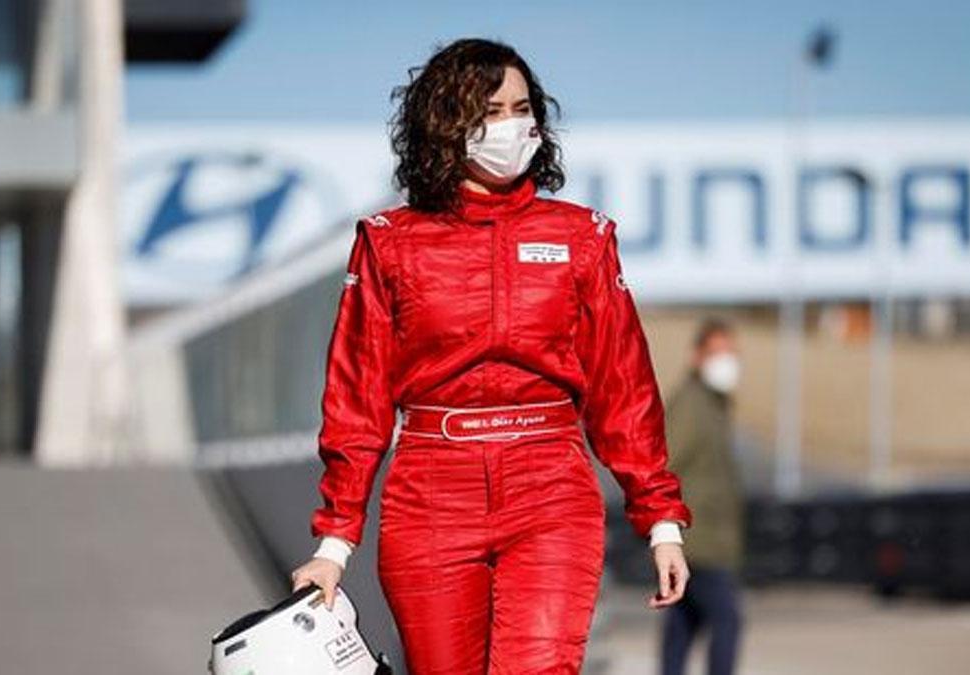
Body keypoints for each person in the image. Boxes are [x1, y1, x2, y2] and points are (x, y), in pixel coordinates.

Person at [289, 37, 694, 674]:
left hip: (551, 489)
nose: (511, 125)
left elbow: (625, 387)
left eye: (521, 107)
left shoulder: (583, 238)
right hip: (430, 491)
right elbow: (356, 397)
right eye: (490, 110)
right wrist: (334, 543)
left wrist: (661, 521)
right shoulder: (389, 243)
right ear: (446, 125)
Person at [660, 317, 746, 675]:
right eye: (716, 352)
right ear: (697, 356)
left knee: (683, 623)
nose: (725, 361)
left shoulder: (715, 404)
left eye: (729, 352)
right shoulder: (692, 405)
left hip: (709, 538)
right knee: (727, 619)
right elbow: (665, 462)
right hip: (696, 540)